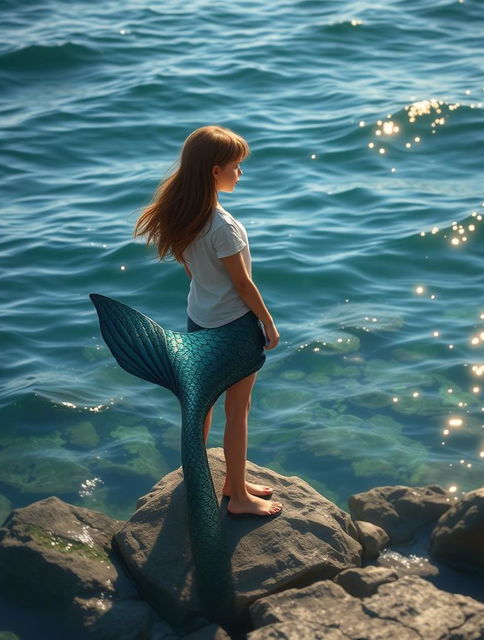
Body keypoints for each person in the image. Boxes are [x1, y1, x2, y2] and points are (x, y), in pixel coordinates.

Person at [133, 125, 282, 518]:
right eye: (236, 166)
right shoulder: (223, 226)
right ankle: (237, 494)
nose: (241, 173)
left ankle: (200, 478)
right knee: (239, 409)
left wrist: (207, 295)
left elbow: (191, 270)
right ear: (215, 171)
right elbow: (242, 283)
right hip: (234, 327)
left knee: (202, 405)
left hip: (199, 320)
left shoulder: (181, 216)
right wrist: (266, 320)